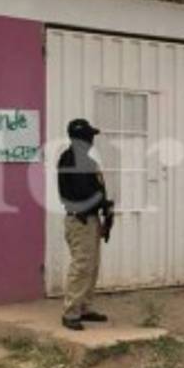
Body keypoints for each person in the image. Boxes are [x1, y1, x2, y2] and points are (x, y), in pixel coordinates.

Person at [56, 118, 111, 331]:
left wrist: (105, 210)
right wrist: (102, 203)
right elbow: (82, 193)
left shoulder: (85, 160)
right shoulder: (71, 159)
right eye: (89, 136)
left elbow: (95, 189)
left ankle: (84, 307)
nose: (92, 140)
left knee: (92, 266)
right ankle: (71, 312)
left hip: (90, 219)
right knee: (81, 266)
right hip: (80, 219)